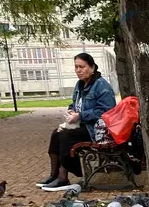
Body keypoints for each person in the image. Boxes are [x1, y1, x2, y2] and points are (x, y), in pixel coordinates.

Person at [41, 53, 116, 189]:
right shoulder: (79, 84)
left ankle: (63, 178)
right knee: (56, 134)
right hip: (81, 125)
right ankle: (54, 174)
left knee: (66, 136)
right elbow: (75, 104)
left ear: (92, 67)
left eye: (82, 67)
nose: (78, 70)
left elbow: (107, 111)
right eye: (76, 67)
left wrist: (81, 115)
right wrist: (71, 111)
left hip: (96, 130)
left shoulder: (101, 86)